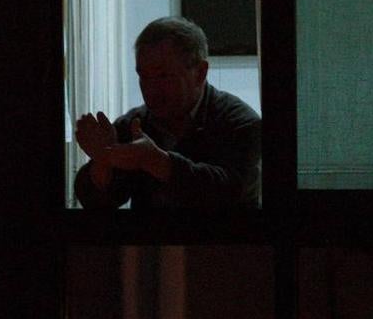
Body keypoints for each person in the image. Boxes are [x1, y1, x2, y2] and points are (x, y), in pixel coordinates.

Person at [74, 16, 260, 209]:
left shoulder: (241, 123)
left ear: (200, 73)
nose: (150, 89)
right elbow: (96, 202)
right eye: (143, 76)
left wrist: (158, 162)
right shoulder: (135, 124)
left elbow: (231, 191)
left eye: (163, 76)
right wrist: (102, 162)